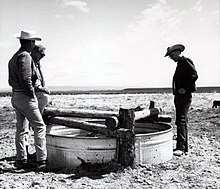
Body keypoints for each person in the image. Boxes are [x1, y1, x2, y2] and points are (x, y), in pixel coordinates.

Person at [8, 30, 47, 170]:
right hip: (25, 97)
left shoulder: (14, 57)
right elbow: (26, 79)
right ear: (30, 42)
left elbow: (10, 81)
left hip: (15, 96)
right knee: (40, 127)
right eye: (33, 42)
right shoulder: (25, 56)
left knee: (21, 128)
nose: (34, 45)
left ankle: (21, 159)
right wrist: (31, 94)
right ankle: (41, 161)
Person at [165, 44, 198, 156]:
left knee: (181, 120)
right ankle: (183, 147)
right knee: (180, 120)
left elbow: (194, 75)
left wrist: (186, 89)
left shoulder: (185, 61)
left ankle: (181, 148)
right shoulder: (180, 63)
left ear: (178, 52)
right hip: (179, 96)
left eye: (172, 55)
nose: (171, 58)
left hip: (184, 96)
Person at [31, 44, 50, 114]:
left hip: (35, 91)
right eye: (41, 54)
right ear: (35, 52)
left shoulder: (36, 64)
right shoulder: (29, 63)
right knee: (44, 97)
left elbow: (41, 79)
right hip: (29, 93)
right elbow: (28, 81)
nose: (42, 57)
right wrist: (40, 88)